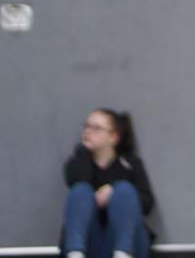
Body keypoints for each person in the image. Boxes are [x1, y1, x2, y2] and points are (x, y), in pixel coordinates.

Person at [61, 109, 155, 258]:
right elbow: (79, 185)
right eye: (86, 126)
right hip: (93, 243)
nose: (88, 132)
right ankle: (75, 253)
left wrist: (113, 194)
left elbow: (147, 203)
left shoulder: (130, 164)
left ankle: (122, 253)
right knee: (80, 191)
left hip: (127, 242)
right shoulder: (77, 162)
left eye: (96, 128)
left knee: (124, 190)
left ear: (113, 137)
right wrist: (83, 152)